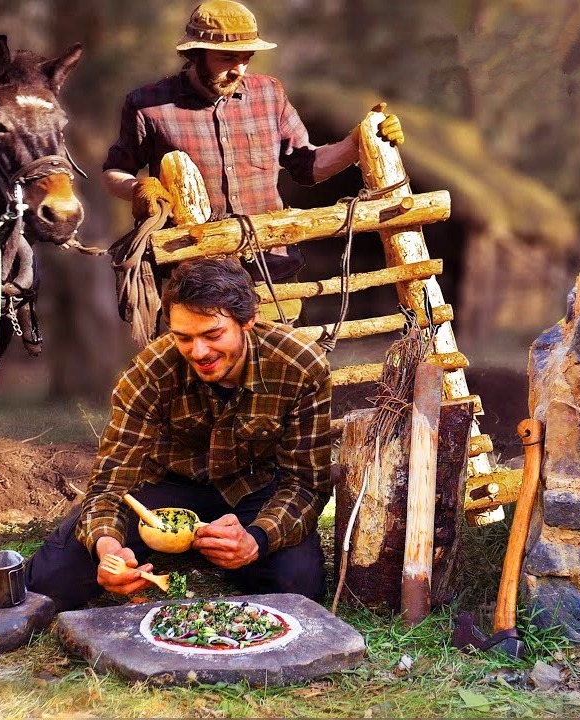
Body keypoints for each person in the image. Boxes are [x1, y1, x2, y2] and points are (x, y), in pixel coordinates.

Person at [25, 257, 333, 611]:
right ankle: (187, 548)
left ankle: (221, 552)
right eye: (183, 337)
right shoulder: (151, 372)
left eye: (213, 334)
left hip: (254, 490)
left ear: (248, 320)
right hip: (167, 490)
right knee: (49, 582)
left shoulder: (299, 365)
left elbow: (305, 482)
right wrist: (108, 549)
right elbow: (110, 485)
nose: (198, 352)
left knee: (298, 588)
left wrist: (257, 539)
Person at [101, 0, 404, 279]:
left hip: (274, 268)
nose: (239, 69)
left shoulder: (269, 93)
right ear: (196, 54)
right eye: (227, 58)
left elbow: (308, 166)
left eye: (247, 58)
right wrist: (140, 189)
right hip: (192, 274)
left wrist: (360, 140)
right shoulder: (147, 104)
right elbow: (114, 172)